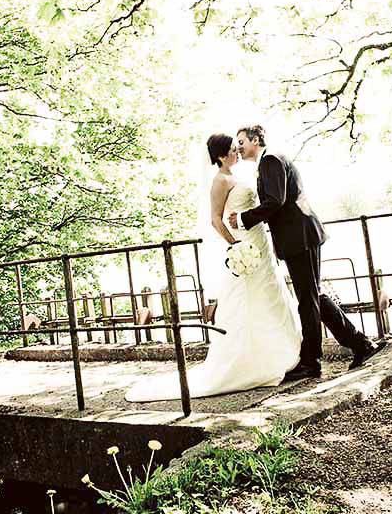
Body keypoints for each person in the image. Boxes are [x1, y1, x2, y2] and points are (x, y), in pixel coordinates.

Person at [125, 133, 301, 402]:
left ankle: (284, 352)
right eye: (232, 149)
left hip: (260, 243)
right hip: (244, 243)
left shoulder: (238, 175)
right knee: (247, 299)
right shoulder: (220, 181)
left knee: (270, 295)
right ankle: (252, 362)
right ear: (220, 155)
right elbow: (215, 220)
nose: (237, 151)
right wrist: (235, 245)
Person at [229, 125, 382, 382]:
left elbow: (275, 201)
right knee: (313, 295)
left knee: (307, 299)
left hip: (298, 237)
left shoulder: (271, 161)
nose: (239, 147)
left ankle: (311, 362)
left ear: (255, 140)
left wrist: (244, 218)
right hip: (299, 236)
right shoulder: (271, 160)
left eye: (242, 142)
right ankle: (360, 344)